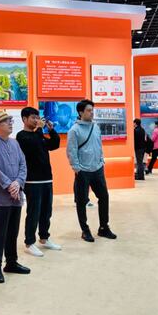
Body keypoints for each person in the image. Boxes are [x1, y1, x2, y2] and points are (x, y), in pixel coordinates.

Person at [0, 111, 29, 284]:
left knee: (13, 231)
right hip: (0, 198)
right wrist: (9, 185)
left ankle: (11, 262)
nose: (10, 123)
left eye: (10, 120)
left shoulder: (15, 143)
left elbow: (23, 164)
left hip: (16, 197)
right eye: (6, 121)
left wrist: (18, 183)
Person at [66, 99, 117, 243]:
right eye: (89, 110)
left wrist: (101, 161)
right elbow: (71, 151)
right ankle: (85, 230)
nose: (92, 112)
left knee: (104, 197)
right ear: (81, 112)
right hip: (83, 171)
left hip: (98, 169)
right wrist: (77, 168)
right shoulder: (74, 130)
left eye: (92, 110)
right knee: (81, 201)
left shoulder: (96, 127)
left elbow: (99, 145)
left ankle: (103, 227)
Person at [16, 107, 61, 257]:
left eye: (37, 117)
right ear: (24, 119)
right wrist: (40, 130)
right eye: (33, 117)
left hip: (47, 178)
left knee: (46, 211)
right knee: (33, 212)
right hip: (32, 181)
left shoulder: (39, 135)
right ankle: (29, 243)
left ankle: (44, 237)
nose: (36, 120)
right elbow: (33, 145)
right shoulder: (22, 136)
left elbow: (54, 145)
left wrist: (52, 130)